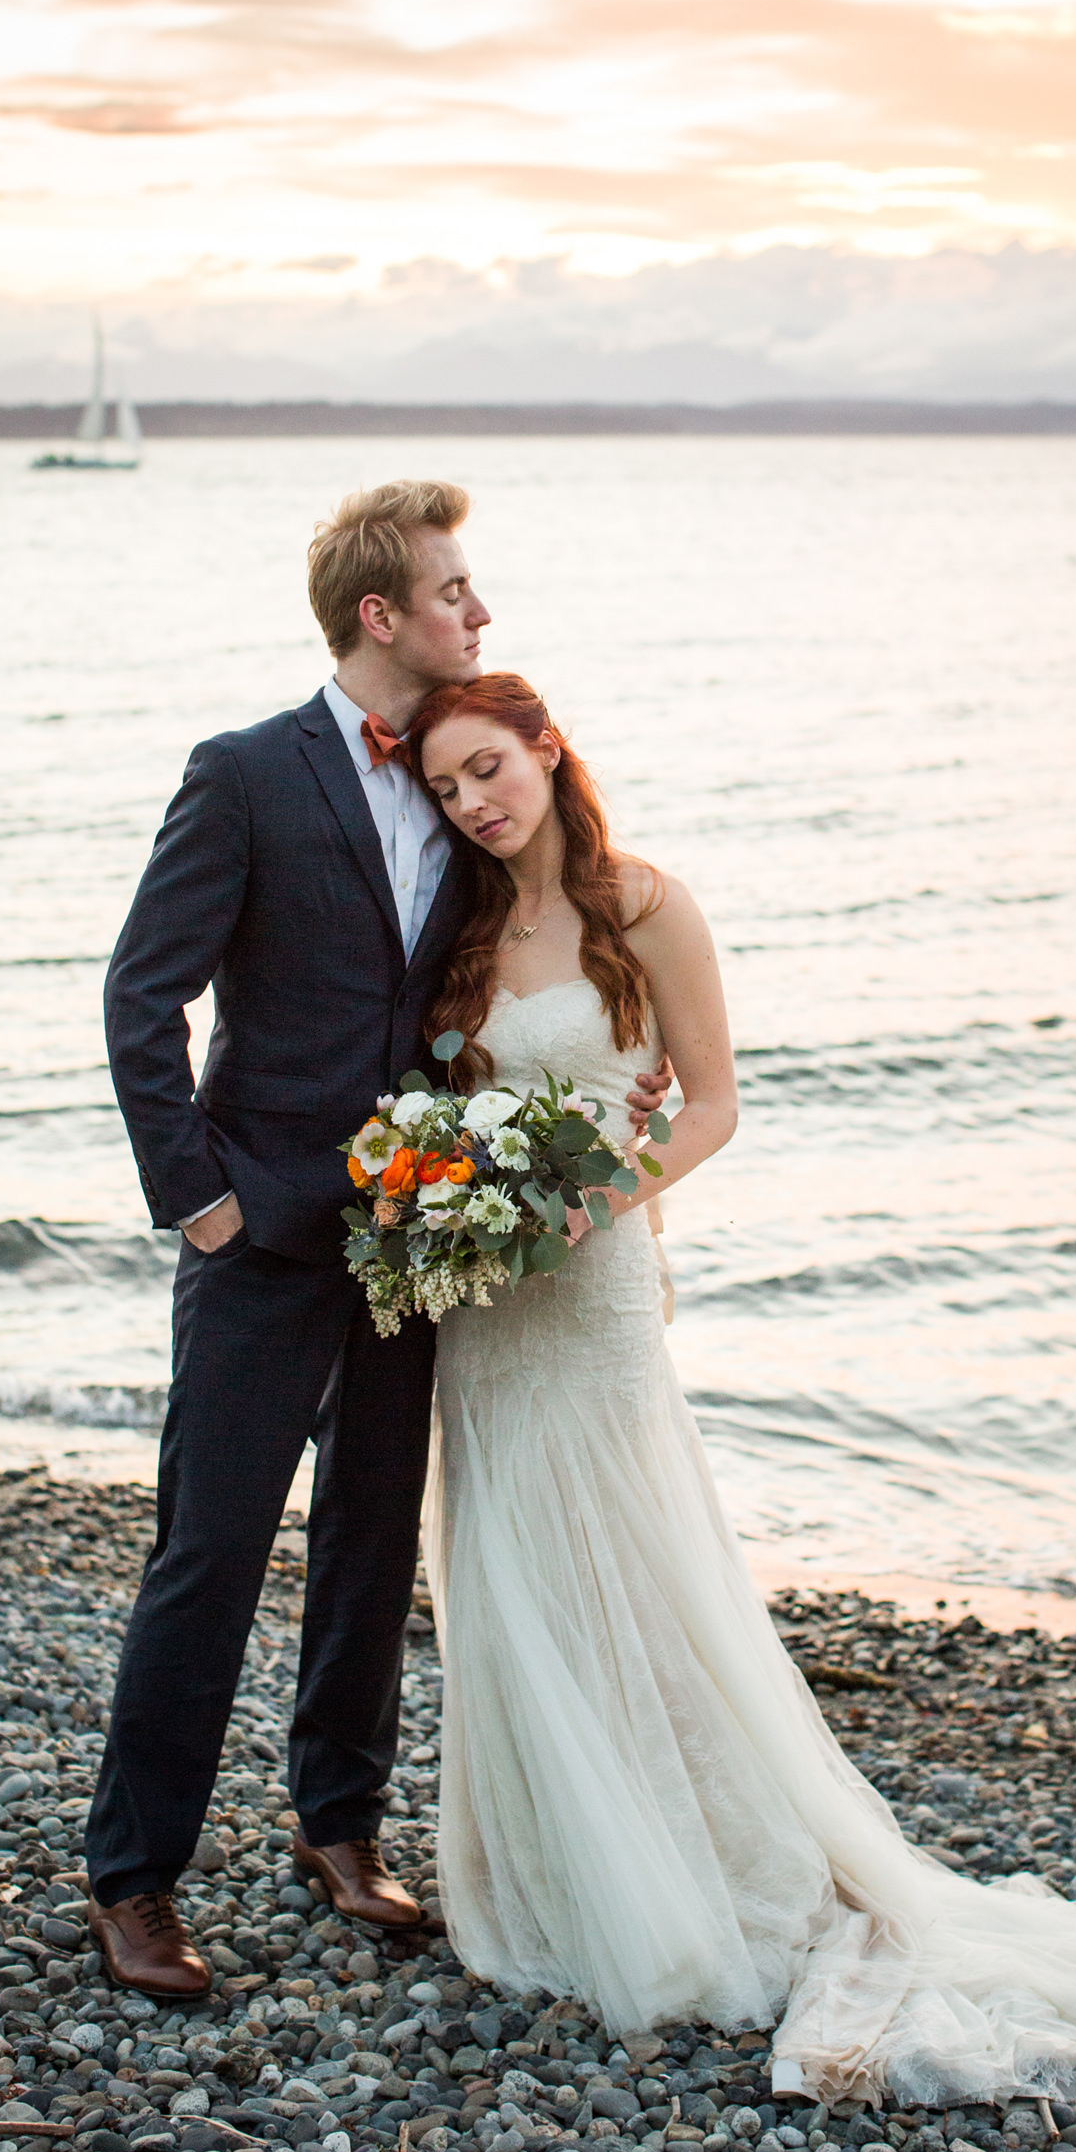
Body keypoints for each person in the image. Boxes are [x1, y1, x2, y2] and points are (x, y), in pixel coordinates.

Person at [410, 671, 1076, 2104]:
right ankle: (561, 1867)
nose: (473, 801)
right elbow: (447, 1104)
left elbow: (715, 1101)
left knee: (634, 1566)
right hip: (487, 1313)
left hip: (596, 1283)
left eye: (487, 766)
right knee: (512, 1569)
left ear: (547, 749)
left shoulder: (646, 905)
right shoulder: (462, 924)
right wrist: (447, 1197)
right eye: (444, 787)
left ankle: (702, 1864)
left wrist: (602, 1195)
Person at [84, 483, 673, 1998]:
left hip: (416, 1244)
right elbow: (141, 996)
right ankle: (134, 1876)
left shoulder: (464, 780)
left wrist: (616, 1066)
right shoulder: (244, 774)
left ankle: (338, 1823)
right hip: (262, 1235)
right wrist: (196, 1196)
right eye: (456, 590)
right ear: (380, 615)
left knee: (366, 1545)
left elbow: (514, 963)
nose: (479, 610)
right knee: (210, 1553)